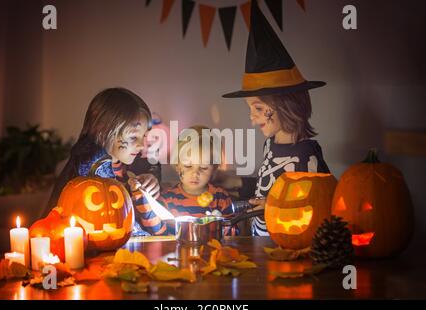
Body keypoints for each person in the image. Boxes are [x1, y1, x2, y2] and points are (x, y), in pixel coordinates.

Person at [220, 1, 330, 236]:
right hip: (261, 239)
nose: (252, 119)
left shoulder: (305, 156)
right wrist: (238, 184)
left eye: (258, 109)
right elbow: (268, 185)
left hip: (287, 241)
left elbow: (315, 206)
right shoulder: (271, 143)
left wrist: (272, 206)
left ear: (284, 105)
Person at [43, 87, 161, 235]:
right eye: (133, 137)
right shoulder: (90, 162)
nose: (141, 145)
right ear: (103, 131)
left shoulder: (126, 161)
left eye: (144, 136)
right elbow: (117, 220)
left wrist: (149, 180)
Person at [130, 125, 238, 236]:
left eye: (204, 167)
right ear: (178, 166)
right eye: (188, 166)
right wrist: (140, 197)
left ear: (214, 168)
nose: (195, 173)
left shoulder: (221, 198)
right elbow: (158, 231)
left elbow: (233, 234)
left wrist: (217, 225)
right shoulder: (168, 198)